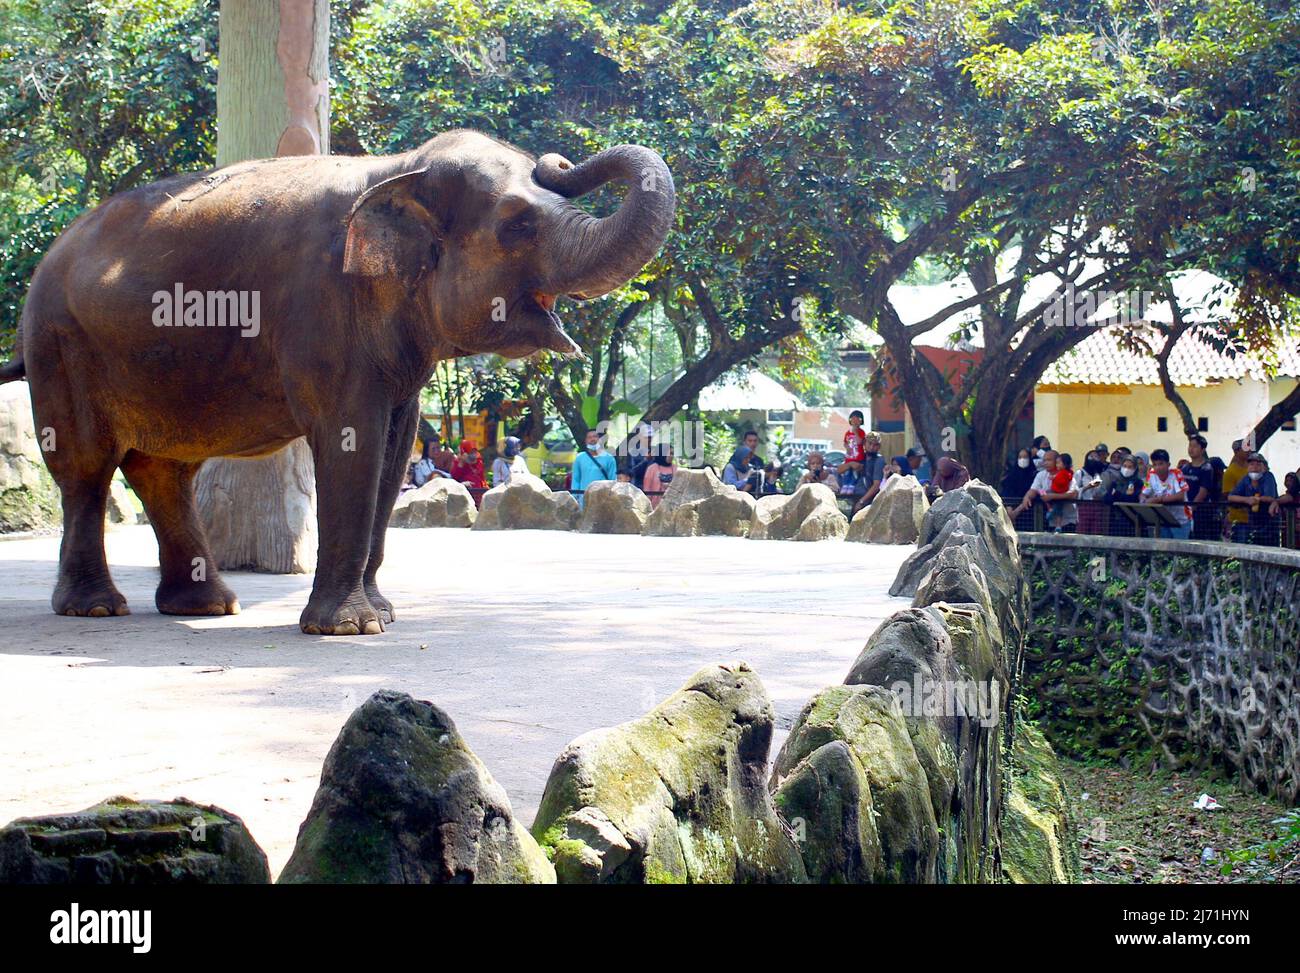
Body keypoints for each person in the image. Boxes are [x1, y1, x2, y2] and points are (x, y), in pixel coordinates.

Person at [1228, 452, 1279, 545]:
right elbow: (1231, 496)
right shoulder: (1246, 479)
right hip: (1252, 522)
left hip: (1268, 522)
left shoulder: (1268, 477)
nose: (1254, 467)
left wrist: (1257, 499)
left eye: (1258, 464)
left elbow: (1270, 497)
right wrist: (1246, 500)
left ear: (1264, 467)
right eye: (1251, 464)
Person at [1141, 448, 1192, 539]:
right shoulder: (1151, 474)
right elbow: (1143, 493)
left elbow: (1180, 496)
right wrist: (1143, 500)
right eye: (1155, 464)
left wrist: (1158, 499)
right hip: (1162, 520)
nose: (1157, 467)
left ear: (1168, 464)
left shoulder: (1177, 473)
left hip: (1181, 521)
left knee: (1179, 550)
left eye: (1161, 464)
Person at [571, 428, 617, 506]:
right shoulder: (580, 458)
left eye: (595, 436)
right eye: (589, 437)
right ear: (586, 441)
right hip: (584, 498)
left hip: (603, 498)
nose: (592, 439)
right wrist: (575, 497)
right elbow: (576, 479)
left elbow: (613, 480)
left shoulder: (609, 458)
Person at [1103, 453, 1143, 534]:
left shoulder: (1138, 483)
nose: (1126, 469)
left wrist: (1116, 494)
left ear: (1135, 469)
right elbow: (1106, 498)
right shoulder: (1116, 482)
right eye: (1124, 466)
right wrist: (1118, 496)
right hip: (1115, 521)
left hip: (1132, 521)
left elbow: (1132, 499)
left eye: (1130, 467)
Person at [1221, 438, 1251, 534]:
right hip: (1237, 519)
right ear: (1237, 451)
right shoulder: (1230, 472)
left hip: (1253, 518)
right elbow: (1227, 494)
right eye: (1246, 448)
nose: (1249, 450)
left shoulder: (1252, 468)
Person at [1076, 450, 1108, 534]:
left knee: (1096, 531)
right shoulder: (1080, 473)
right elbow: (1075, 491)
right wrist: (1088, 487)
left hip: (1096, 506)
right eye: (1091, 456)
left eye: (1096, 457)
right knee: (1082, 530)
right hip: (1083, 506)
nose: (1093, 459)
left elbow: (1101, 490)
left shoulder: (1097, 475)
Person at [837, 410, 868, 495]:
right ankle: (845, 485)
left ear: (861, 421)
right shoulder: (847, 432)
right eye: (853, 419)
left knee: (855, 472)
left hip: (858, 457)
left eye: (857, 419)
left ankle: (851, 485)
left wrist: (855, 432)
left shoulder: (861, 432)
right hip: (849, 457)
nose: (855, 421)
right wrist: (847, 448)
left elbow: (859, 442)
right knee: (847, 471)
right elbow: (845, 442)